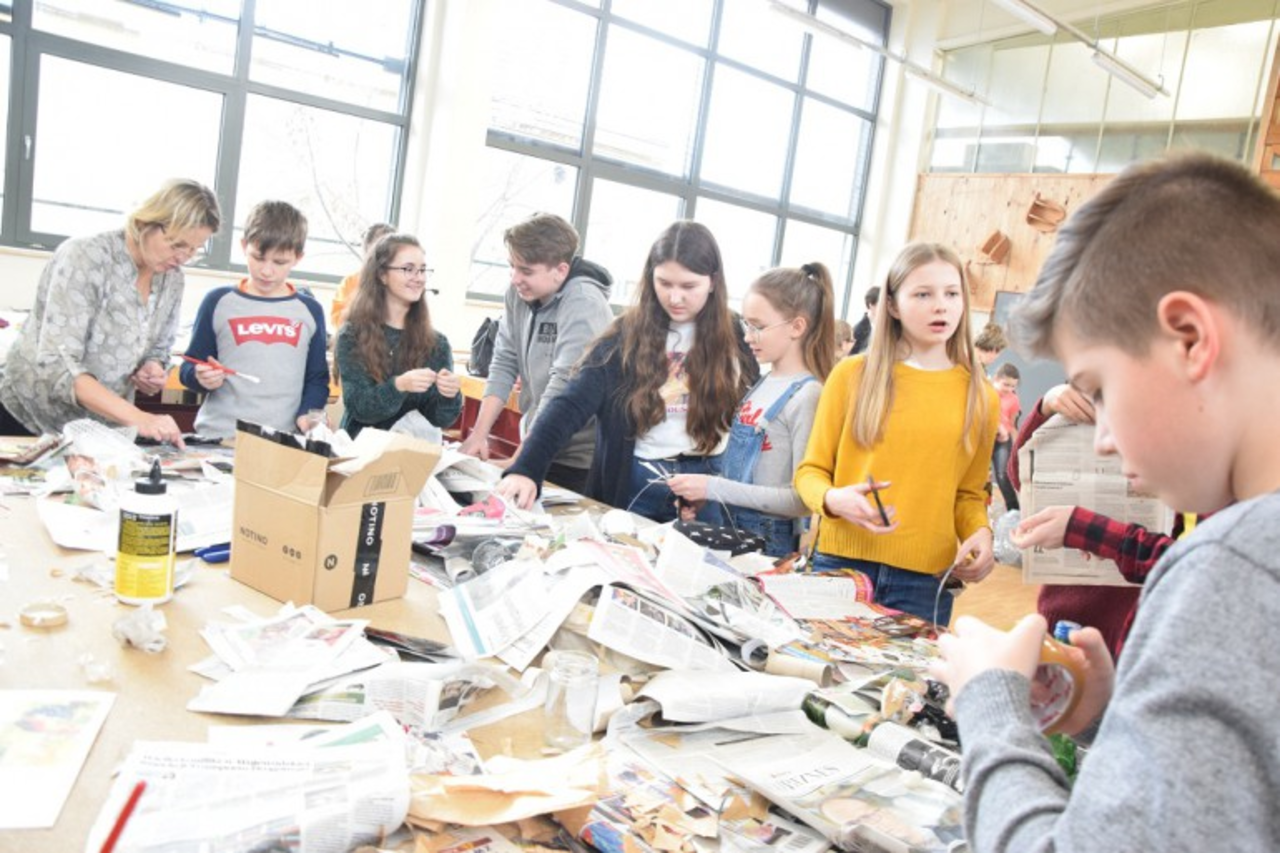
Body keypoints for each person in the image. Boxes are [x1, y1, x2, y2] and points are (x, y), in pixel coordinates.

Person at [932, 153, 1280, 852]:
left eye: (1101, 389)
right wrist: (1113, 715)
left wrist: (991, 707)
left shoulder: (1235, 564)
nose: (1103, 440)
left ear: (1189, 338)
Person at [497, 220, 758, 520]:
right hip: (638, 478)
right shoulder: (625, 336)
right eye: (664, 283)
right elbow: (570, 404)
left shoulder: (736, 333)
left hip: (707, 479)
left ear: (712, 282)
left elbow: (755, 412)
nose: (675, 298)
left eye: (688, 286)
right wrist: (527, 468)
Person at [795, 242, 999, 624]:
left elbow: (969, 494)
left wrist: (981, 532)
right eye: (923, 294)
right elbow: (810, 473)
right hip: (841, 568)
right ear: (891, 305)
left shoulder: (981, 395)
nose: (941, 306)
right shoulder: (851, 375)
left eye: (951, 294)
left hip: (925, 583)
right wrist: (833, 498)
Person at [0, 179, 221, 444]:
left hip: (97, 429)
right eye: (177, 244)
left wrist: (152, 367)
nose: (183, 257)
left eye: (194, 250)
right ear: (146, 222)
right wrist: (139, 418)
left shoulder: (172, 279)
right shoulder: (85, 256)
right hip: (29, 417)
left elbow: (158, 348)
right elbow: (59, 366)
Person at [1006, 382, 1192, 658]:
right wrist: (1046, 406)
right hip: (1066, 617)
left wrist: (1084, 530)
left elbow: (1175, 556)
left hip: (1136, 627)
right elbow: (1023, 477)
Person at [667, 262, 836, 556]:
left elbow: (800, 501)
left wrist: (713, 487)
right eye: (747, 325)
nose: (747, 337)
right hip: (731, 526)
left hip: (769, 542)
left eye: (758, 327)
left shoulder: (808, 395)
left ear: (797, 326)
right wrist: (705, 496)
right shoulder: (763, 383)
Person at [457, 213, 613, 493]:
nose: (515, 278)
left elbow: (563, 385)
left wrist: (523, 461)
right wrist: (477, 436)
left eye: (526, 271)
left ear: (560, 271)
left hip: (577, 459)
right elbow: (504, 361)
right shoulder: (518, 293)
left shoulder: (584, 302)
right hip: (536, 443)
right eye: (512, 267)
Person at [180, 200, 329, 437]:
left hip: (281, 439)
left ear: (298, 257)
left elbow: (317, 379)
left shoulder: (310, 310)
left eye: (280, 262)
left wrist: (308, 415)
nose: (267, 271)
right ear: (244, 246)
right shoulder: (217, 301)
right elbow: (189, 365)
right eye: (258, 258)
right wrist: (199, 376)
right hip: (219, 436)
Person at [334, 233, 462, 438]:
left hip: (414, 452)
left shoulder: (437, 344)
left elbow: (441, 419)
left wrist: (450, 394)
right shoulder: (352, 335)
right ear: (382, 275)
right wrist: (399, 386)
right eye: (408, 269)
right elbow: (360, 407)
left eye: (422, 270)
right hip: (359, 450)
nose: (419, 278)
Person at [330, 222, 395, 330]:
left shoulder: (400, 282)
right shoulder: (350, 282)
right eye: (380, 245)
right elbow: (337, 320)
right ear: (367, 248)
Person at [991, 361, 1021, 511]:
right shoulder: (986, 392)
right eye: (1006, 384)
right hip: (983, 438)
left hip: (1003, 441)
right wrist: (998, 426)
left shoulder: (1013, 399)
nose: (1009, 389)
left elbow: (1013, 424)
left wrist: (1017, 446)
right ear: (996, 379)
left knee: (1003, 475)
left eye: (1013, 386)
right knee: (980, 476)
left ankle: (1014, 511)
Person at [849, 286, 879, 355]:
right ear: (871, 305)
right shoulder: (860, 329)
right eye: (880, 305)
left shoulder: (878, 326)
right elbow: (852, 355)